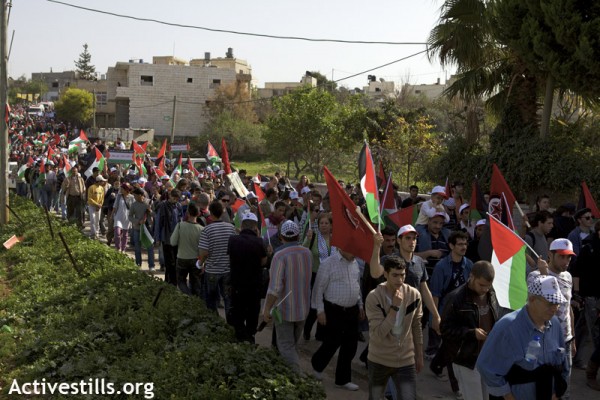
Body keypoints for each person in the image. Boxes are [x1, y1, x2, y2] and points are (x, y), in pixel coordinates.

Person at [476, 274, 569, 399]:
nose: (554, 308)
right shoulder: (507, 327)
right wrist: (508, 396)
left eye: (557, 303)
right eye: (550, 303)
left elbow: (562, 362)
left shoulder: (555, 324)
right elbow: (486, 367)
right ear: (531, 299)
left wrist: (557, 392)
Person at [441, 261, 501, 400]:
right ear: (472, 276)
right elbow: (445, 329)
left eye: (488, 285)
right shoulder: (456, 298)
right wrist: (470, 333)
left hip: (486, 359)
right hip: (466, 360)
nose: (485, 289)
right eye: (481, 285)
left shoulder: (491, 293)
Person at [365, 255, 423, 400]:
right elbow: (378, 333)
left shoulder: (414, 295)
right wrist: (394, 308)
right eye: (395, 275)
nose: (399, 280)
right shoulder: (374, 297)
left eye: (402, 275)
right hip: (379, 360)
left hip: (405, 360)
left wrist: (419, 355)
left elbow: (417, 325)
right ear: (385, 274)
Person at [311, 246, 365, 391]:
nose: (355, 252)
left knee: (350, 345)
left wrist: (360, 305)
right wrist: (320, 310)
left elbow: (357, 285)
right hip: (333, 309)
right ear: (342, 247)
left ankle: (342, 380)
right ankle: (317, 365)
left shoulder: (355, 263)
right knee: (332, 342)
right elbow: (318, 288)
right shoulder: (328, 263)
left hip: (352, 310)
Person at [527, 238, 576, 398]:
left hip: (566, 340)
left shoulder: (568, 277)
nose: (566, 261)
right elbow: (536, 304)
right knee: (543, 385)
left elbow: (568, 307)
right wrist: (544, 273)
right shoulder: (535, 276)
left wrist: (573, 337)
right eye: (561, 256)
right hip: (545, 339)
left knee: (564, 383)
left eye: (568, 257)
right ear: (550, 255)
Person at [263, 221, 312, 374]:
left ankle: (297, 379)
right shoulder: (307, 253)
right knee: (291, 346)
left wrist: (266, 309)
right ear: (298, 236)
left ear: (281, 236)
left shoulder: (279, 256)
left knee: (286, 346)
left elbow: (274, 288)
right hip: (303, 309)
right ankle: (285, 373)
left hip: (284, 310)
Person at [429, 231, 473, 396]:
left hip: (463, 314)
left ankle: (435, 365)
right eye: (460, 244)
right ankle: (457, 387)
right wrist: (435, 316)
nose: (463, 247)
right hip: (445, 314)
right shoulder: (441, 266)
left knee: (449, 346)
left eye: (465, 244)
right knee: (452, 349)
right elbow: (435, 293)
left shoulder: (469, 265)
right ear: (451, 246)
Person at [228, 211, 270, 343]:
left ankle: (239, 335)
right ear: (255, 227)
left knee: (238, 310)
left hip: (237, 283)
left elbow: (231, 257)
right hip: (254, 285)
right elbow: (263, 262)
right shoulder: (259, 242)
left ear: (242, 226)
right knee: (252, 311)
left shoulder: (233, 240)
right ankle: (250, 334)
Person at [572, 220, 600, 390]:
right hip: (590, 297)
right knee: (596, 336)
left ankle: (578, 358)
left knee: (583, 328)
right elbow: (577, 272)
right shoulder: (588, 247)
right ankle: (591, 371)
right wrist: (577, 294)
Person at [198, 200, 237, 319]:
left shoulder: (207, 230)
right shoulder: (231, 228)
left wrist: (200, 264)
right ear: (222, 212)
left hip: (212, 271)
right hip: (227, 270)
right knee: (228, 299)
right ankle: (230, 323)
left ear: (210, 213)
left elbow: (204, 253)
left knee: (211, 299)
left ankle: (214, 322)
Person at [302, 212, 336, 341]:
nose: (323, 225)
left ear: (331, 225)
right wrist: (307, 239)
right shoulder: (314, 237)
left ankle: (320, 333)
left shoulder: (335, 239)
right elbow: (303, 250)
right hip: (315, 275)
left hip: (330, 276)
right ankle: (307, 328)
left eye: (326, 223)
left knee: (326, 305)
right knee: (315, 304)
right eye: (321, 223)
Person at [170, 202, 204, 296]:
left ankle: (187, 296)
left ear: (188, 213)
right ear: (198, 214)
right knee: (196, 283)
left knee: (181, 282)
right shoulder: (202, 229)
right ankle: (196, 302)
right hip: (196, 260)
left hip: (182, 258)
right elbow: (203, 248)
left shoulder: (180, 225)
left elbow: (173, 242)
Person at [154, 188, 183, 284]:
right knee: (169, 262)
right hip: (166, 237)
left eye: (177, 199)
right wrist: (157, 238)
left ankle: (168, 281)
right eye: (174, 198)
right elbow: (158, 222)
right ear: (170, 196)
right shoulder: (163, 206)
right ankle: (173, 283)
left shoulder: (178, 206)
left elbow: (180, 220)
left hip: (177, 238)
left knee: (175, 261)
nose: (175, 200)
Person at [129, 188, 155, 271]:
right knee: (137, 248)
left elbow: (155, 214)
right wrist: (138, 221)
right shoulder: (134, 205)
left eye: (135, 195)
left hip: (148, 229)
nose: (134, 197)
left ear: (140, 195)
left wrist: (150, 210)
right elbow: (130, 216)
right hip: (137, 228)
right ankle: (138, 264)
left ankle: (151, 266)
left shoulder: (149, 202)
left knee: (150, 248)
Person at [61, 166, 86, 230]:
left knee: (79, 212)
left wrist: (83, 194)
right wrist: (66, 187)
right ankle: (70, 224)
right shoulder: (67, 179)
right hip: (71, 197)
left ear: (77, 172)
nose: (74, 173)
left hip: (78, 197)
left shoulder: (80, 179)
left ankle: (80, 225)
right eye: (73, 171)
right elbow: (63, 189)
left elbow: (84, 187)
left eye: (75, 171)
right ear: (71, 172)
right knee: (70, 211)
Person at [112, 183, 134, 253]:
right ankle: (118, 248)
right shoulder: (119, 196)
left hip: (127, 218)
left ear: (126, 190)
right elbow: (115, 206)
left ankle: (123, 249)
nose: (120, 190)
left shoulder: (131, 197)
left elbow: (133, 208)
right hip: (118, 216)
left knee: (125, 234)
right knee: (117, 233)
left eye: (122, 189)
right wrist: (111, 215)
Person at [87, 175, 107, 239]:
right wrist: (97, 204)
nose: (103, 182)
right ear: (99, 181)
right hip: (92, 206)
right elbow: (89, 198)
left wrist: (100, 205)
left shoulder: (101, 188)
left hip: (99, 206)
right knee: (92, 220)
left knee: (97, 220)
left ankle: (97, 233)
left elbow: (102, 198)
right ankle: (93, 234)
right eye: (102, 181)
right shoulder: (91, 187)